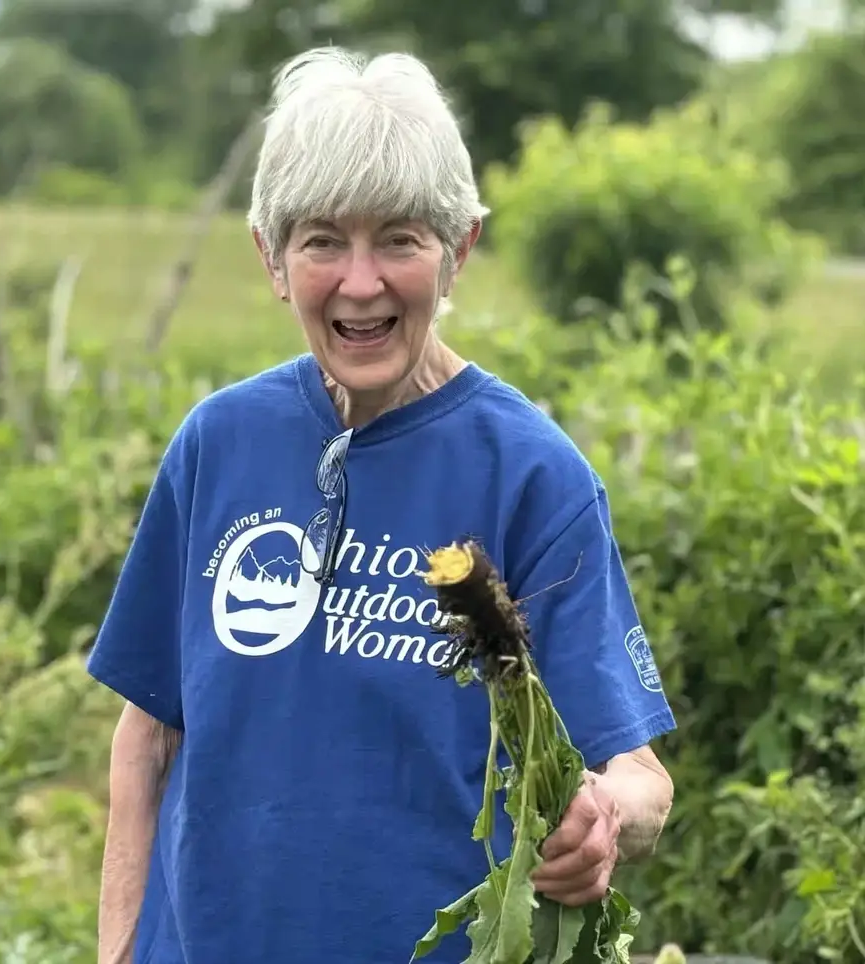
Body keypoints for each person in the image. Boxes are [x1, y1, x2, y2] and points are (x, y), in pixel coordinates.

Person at [87, 45, 676, 964]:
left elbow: (639, 777)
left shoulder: (530, 474)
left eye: (400, 238)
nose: (361, 283)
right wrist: (118, 952)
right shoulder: (218, 445)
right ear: (272, 258)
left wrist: (605, 819)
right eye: (322, 239)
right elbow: (147, 737)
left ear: (459, 251)